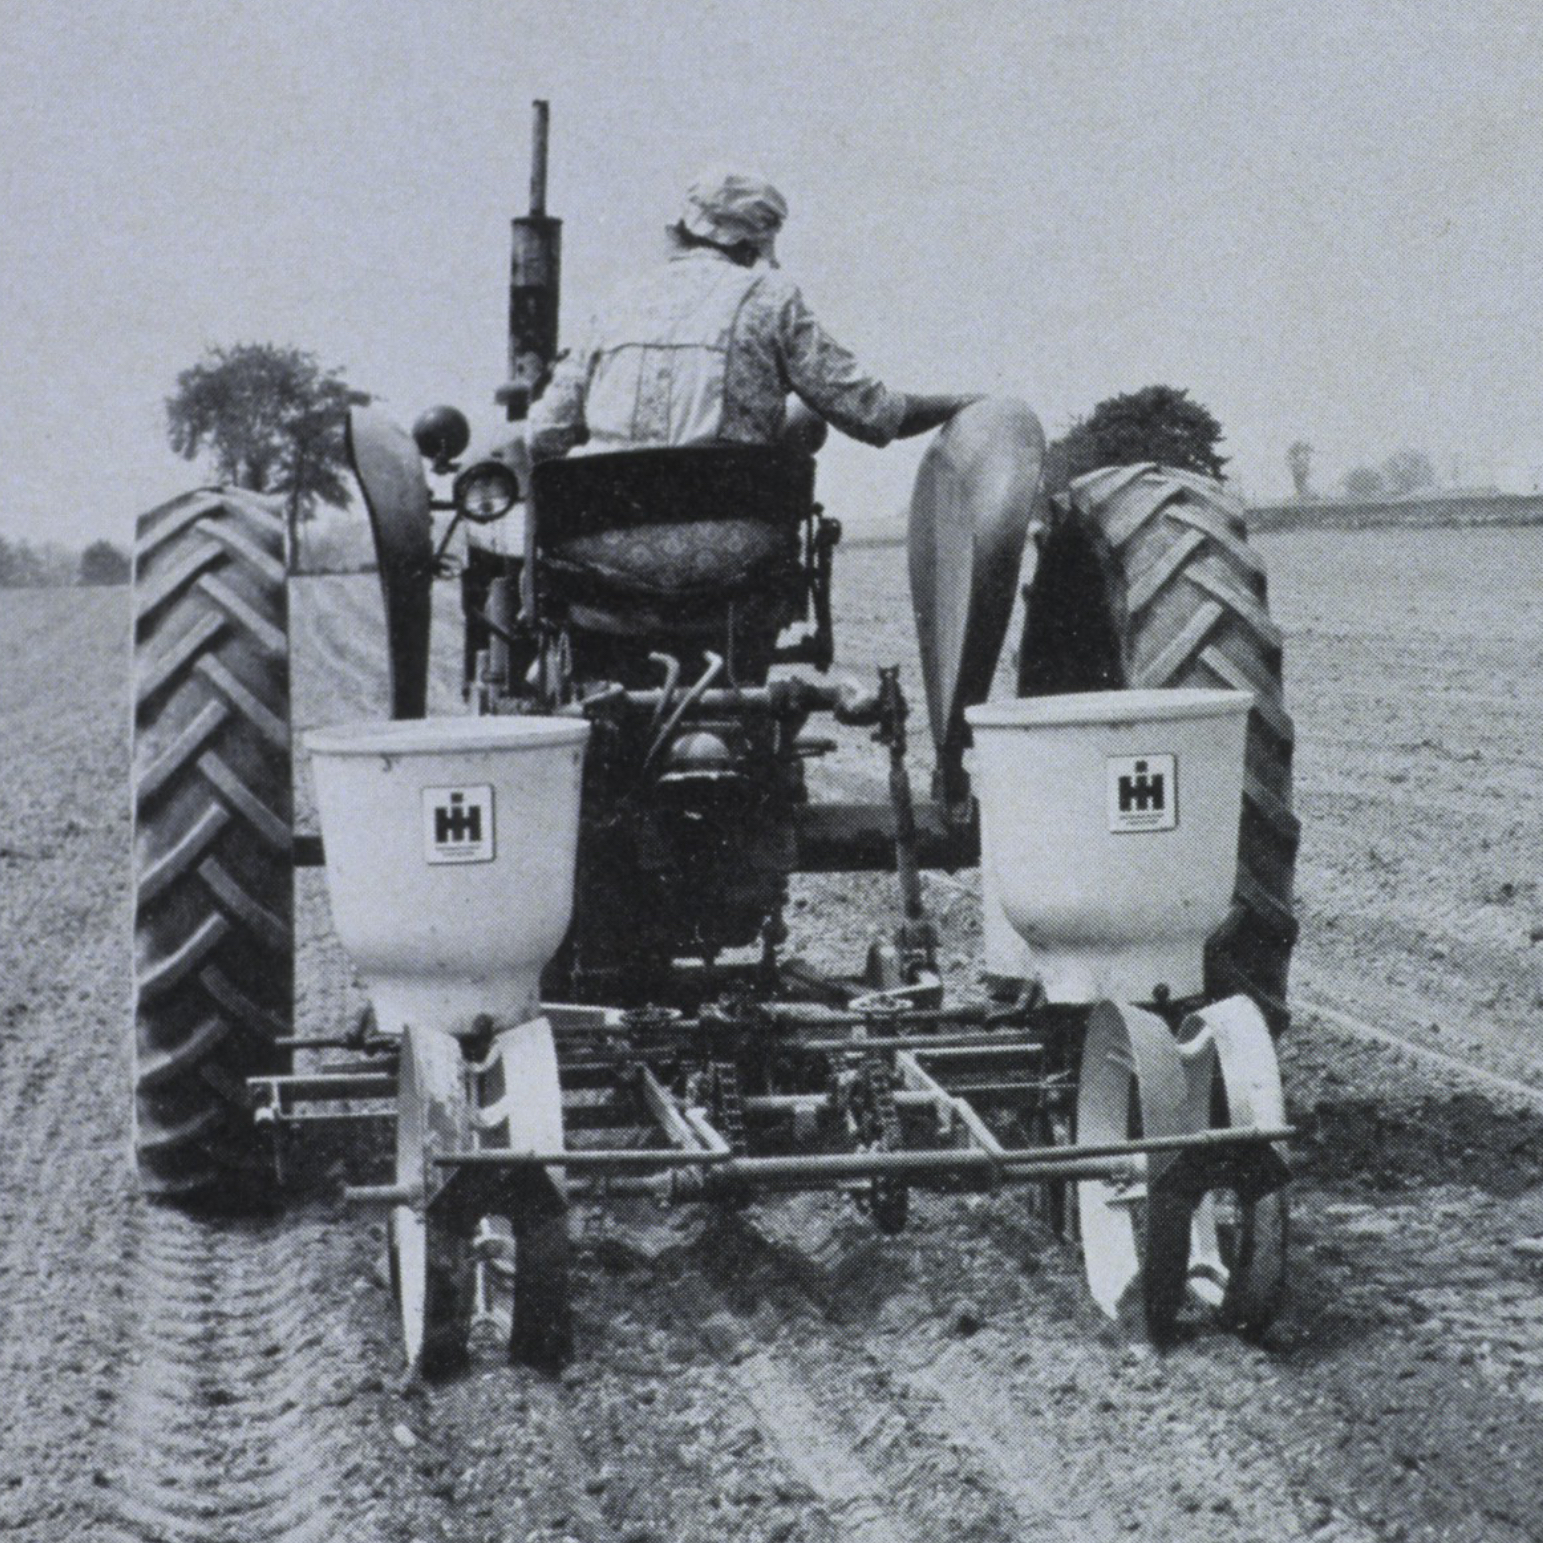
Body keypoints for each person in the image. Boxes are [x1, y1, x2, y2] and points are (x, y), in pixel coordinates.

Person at [526, 166, 977, 461]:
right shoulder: (771, 298)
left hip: (603, 540)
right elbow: (874, 415)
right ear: (754, 243)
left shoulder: (616, 301)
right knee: (804, 418)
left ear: (683, 228)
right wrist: (962, 403)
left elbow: (544, 435)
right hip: (734, 544)